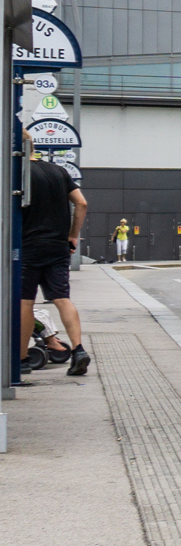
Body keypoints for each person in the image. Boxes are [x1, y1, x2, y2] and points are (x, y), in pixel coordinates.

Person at [20, 139, 92, 376]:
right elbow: (81, 203)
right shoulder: (58, 171)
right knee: (62, 298)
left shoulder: (17, 173)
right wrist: (72, 236)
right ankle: (79, 350)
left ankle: (21, 360)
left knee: (25, 302)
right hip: (57, 247)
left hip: (27, 246)